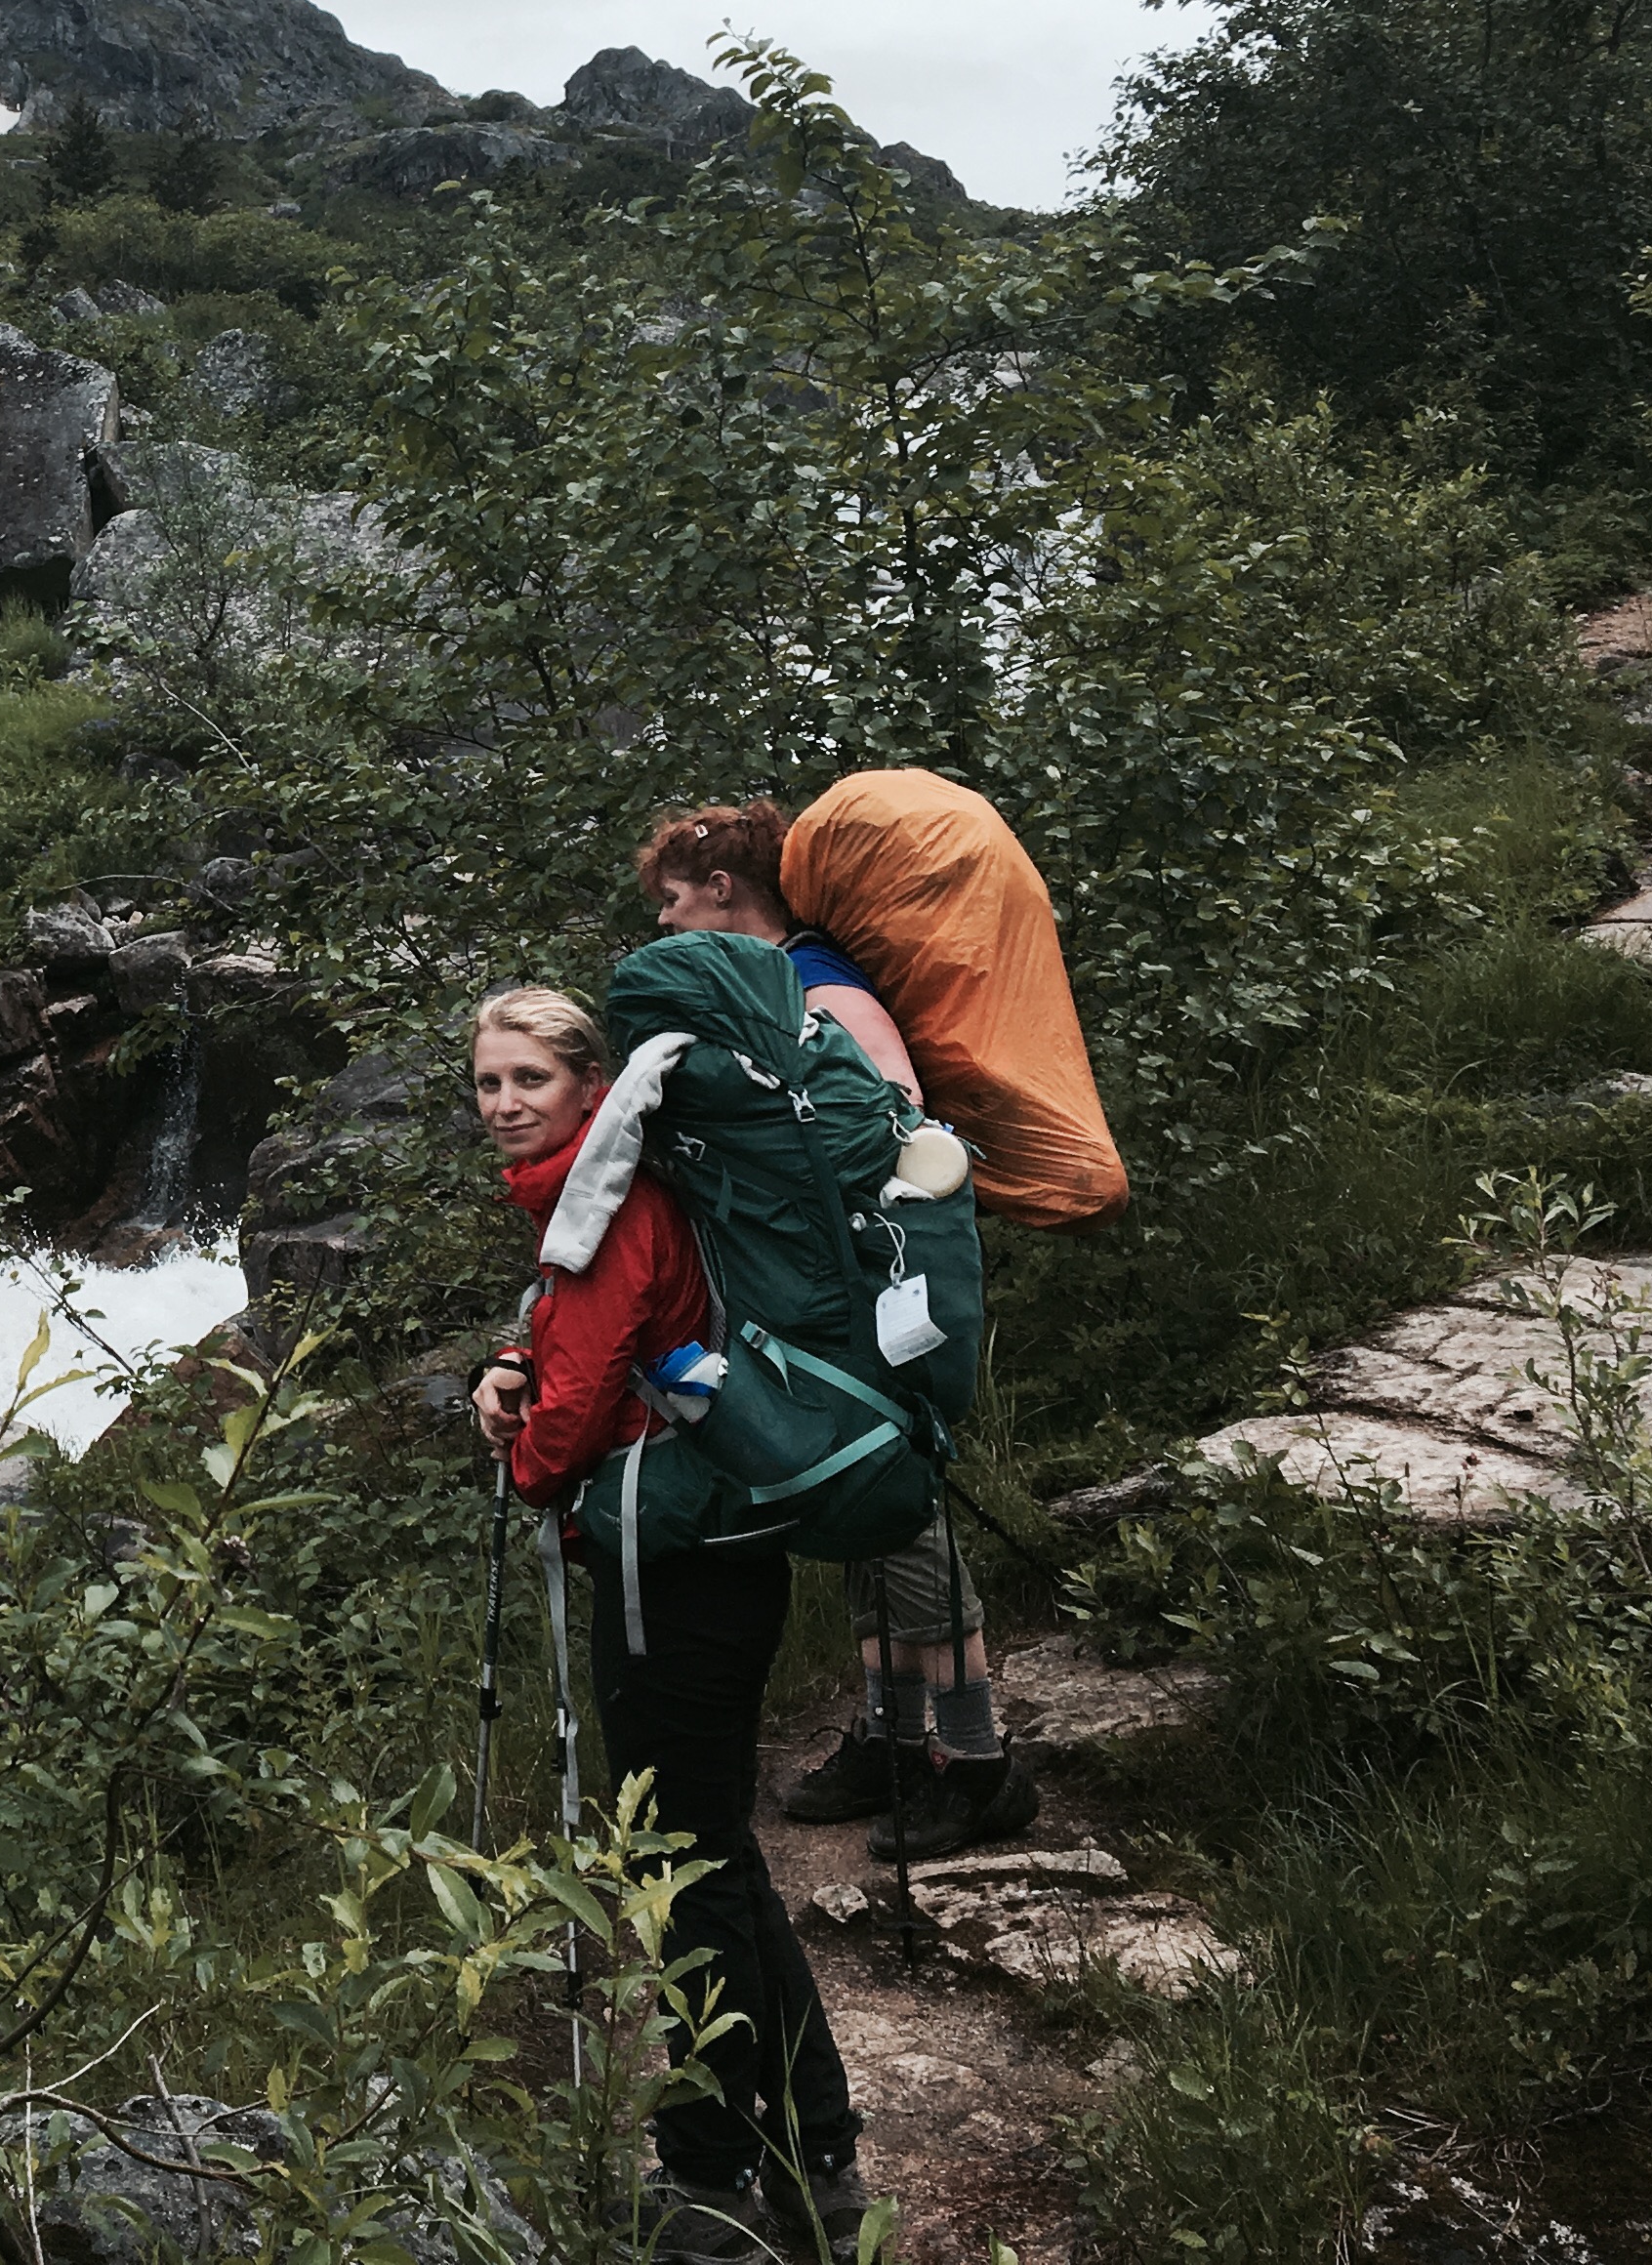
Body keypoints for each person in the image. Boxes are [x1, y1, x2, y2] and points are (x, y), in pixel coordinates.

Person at [468, 985, 871, 2260]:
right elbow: (581, 1349)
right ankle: (817, 2151)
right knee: (723, 1857)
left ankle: (710, 2181)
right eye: (486, 1083)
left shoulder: (611, 1206)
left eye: (529, 1079)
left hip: (672, 1573)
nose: (503, 1105)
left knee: (685, 1872)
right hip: (713, 1554)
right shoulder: (607, 1195)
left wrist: (520, 1453)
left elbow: (574, 1417)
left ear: (593, 1087)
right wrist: (510, 1372)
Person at [637, 801, 1038, 1861]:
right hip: (819, 1308)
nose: (669, 927)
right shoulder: (771, 996)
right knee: (856, 1518)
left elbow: (893, 1124)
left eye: (674, 904)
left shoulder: (819, 986)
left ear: (723, 890)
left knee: (900, 1515)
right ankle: (890, 1740)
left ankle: (976, 1760)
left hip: (874, 1305)